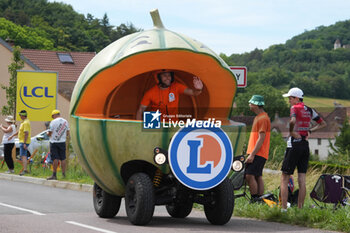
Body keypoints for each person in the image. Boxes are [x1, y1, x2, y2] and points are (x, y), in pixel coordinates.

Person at [280, 87, 326, 211]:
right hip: (305, 145)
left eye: (290, 98)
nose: (289, 101)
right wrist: (310, 131)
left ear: (296, 98)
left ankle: (283, 209)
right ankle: (300, 209)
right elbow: (323, 123)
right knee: (302, 178)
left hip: (294, 144)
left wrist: (291, 132)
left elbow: (293, 120)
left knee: (284, 177)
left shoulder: (295, 108)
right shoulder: (310, 110)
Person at [136, 70, 203, 120]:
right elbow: (140, 111)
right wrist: (138, 128)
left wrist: (199, 89)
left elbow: (193, 93)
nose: (168, 78)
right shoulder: (150, 93)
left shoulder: (176, 86)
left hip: (172, 122)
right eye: (164, 75)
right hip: (155, 122)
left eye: (169, 75)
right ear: (158, 78)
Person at [245, 95, 271, 202]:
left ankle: (255, 198)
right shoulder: (259, 117)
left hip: (258, 153)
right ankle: (260, 199)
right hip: (258, 153)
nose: (249, 105)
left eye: (251, 103)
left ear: (256, 104)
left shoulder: (263, 118)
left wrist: (252, 154)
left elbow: (261, 138)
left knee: (249, 175)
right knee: (257, 176)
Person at [47, 109, 70, 180]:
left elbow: (50, 132)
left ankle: (54, 175)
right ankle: (63, 174)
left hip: (54, 142)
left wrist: (47, 134)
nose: (52, 117)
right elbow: (68, 132)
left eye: (52, 116)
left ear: (54, 115)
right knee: (63, 158)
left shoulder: (53, 122)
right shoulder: (65, 121)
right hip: (62, 142)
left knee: (55, 158)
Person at [8, 110, 31, 176]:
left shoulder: (26, 123)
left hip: (24, 142)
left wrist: (24, 143)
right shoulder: (23, 122)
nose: (20, 116)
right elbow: (19, 131)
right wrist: (12, 136)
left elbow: (26, 133)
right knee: (23, 155)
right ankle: (25, 169)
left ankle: (25, 170)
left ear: (23, 115)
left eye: (20, 115)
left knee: (23, 156)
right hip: (22, 141)